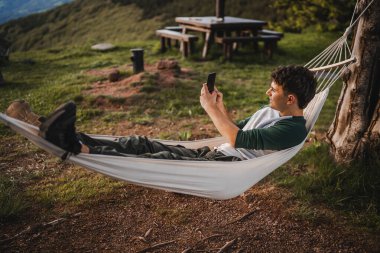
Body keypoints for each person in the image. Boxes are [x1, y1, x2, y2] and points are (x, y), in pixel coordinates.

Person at [6, 65, 316, 161]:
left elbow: (236, 138)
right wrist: (220, 108)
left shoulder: (294, 129)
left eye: (272, 89)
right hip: (213, 153)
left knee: (156, 160)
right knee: (141, 142)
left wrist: (209, 110)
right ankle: (58, 131)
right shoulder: (271, 112)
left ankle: (75, 147)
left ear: (290, 98)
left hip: (225, 164)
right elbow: (238, 130)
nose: (267, 92)